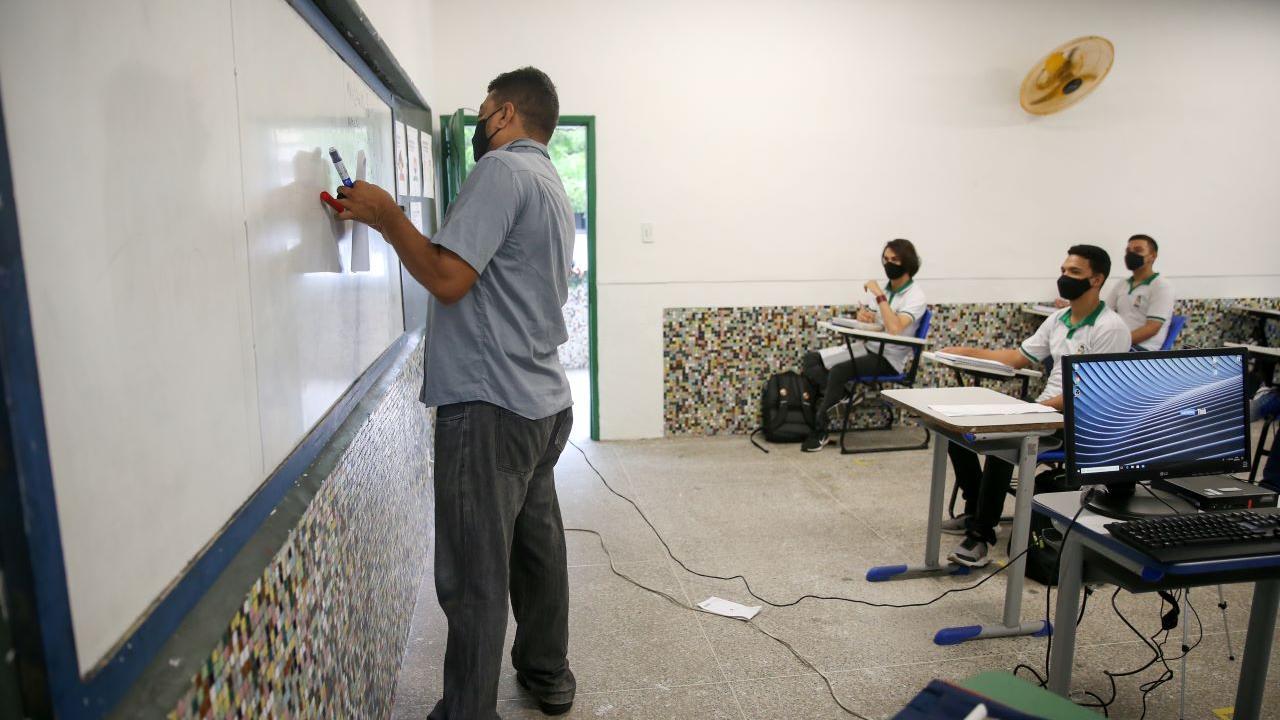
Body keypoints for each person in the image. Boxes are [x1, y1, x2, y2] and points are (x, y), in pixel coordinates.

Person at [334, 67, 576, 718]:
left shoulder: (501, 171)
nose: (478, 122)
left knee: (474, 575)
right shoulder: (549, 180)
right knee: (538, 549)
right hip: (543, 402)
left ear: (505, 114)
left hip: (490, 404)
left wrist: (386, 215)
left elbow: (447, 278)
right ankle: (548, 673)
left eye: (483, 110)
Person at [938, 245, 1131, 567]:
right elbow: (1017, 357)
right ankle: (976, 510)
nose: (1065, 277)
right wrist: (965, 352)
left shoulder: (1110, 328)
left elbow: (1090, 392)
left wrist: (1031, 411)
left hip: (1080, 423)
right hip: (1046, 410)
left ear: (1097, 280)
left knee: (1007, 439)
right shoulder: (1059, 319)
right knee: (957, 429)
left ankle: (981, 535)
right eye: (1064, 270)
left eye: (1075, 272)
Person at [799, 239, 927, 451]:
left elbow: (894, 327)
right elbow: (879, 320)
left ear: (908, 262)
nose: (888, 264)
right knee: (811, 360)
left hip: (889, 359)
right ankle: (844, 395)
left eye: (894, 260)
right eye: (885, 259)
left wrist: (879, 295)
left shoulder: (915, 296)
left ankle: (820, 430)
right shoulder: (887, 290)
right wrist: (865, 317)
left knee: (838, 371)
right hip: (869, 348)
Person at [1105, 234, 1176, 351]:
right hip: (1121, 344)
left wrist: (1118, 342)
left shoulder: (1161, 286)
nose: (1131, 254)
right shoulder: (1122, 284)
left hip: (1142, 349)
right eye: (1128, 251)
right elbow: (1103, 313)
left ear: (1152, 256)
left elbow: (1152, 328)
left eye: (1138, 250)